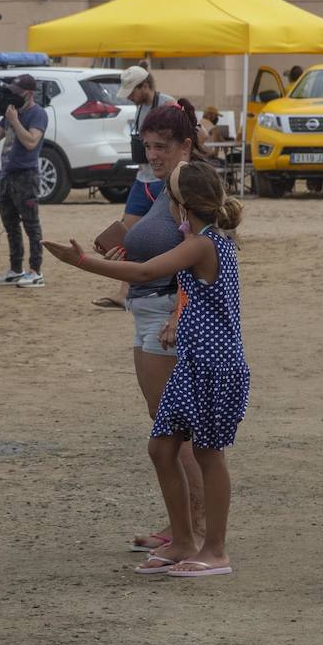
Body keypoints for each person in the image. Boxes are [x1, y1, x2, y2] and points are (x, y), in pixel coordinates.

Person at [43, 160, 248, 577]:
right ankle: (184, 540)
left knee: (209, 454)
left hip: (214, 364)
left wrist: (80, 261)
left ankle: (216, 551)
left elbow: (146, 272)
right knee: (161, 448)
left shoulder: (206, 242)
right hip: (195, 360)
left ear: (181, 205)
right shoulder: (201, 238)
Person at [103, 102, 209, 554]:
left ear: (186, 145)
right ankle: (181, 525)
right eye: (147, 147)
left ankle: (195, 530)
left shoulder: (192, 189)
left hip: (166, 310)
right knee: (165, 425)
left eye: (162, 147)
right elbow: (134, 237)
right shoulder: (156, 186)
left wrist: (178, 314)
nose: (153, 155)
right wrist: (119, 252)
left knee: (176, 431)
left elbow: (205, 258)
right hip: (147, 309)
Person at [93, 64, 174, 311]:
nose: (128, 96)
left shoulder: (168, 104)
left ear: (145, 86)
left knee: (169, 234)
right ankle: (124, 291)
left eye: (132, 91)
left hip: (162, 179)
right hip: (142, 178)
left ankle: (164, 288)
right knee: (126, 233)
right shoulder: (140, 108)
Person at [0, 74, 48, 288]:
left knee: (31, 225)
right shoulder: (12, 112)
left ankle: (36, 271)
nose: (13, 96)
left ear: (29, 94)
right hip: (7, 174)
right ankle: (16, 269)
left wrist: (14, 120)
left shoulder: (37, 114)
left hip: (26, 175)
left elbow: (31, 142)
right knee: (10, 224)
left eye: (17, 92)